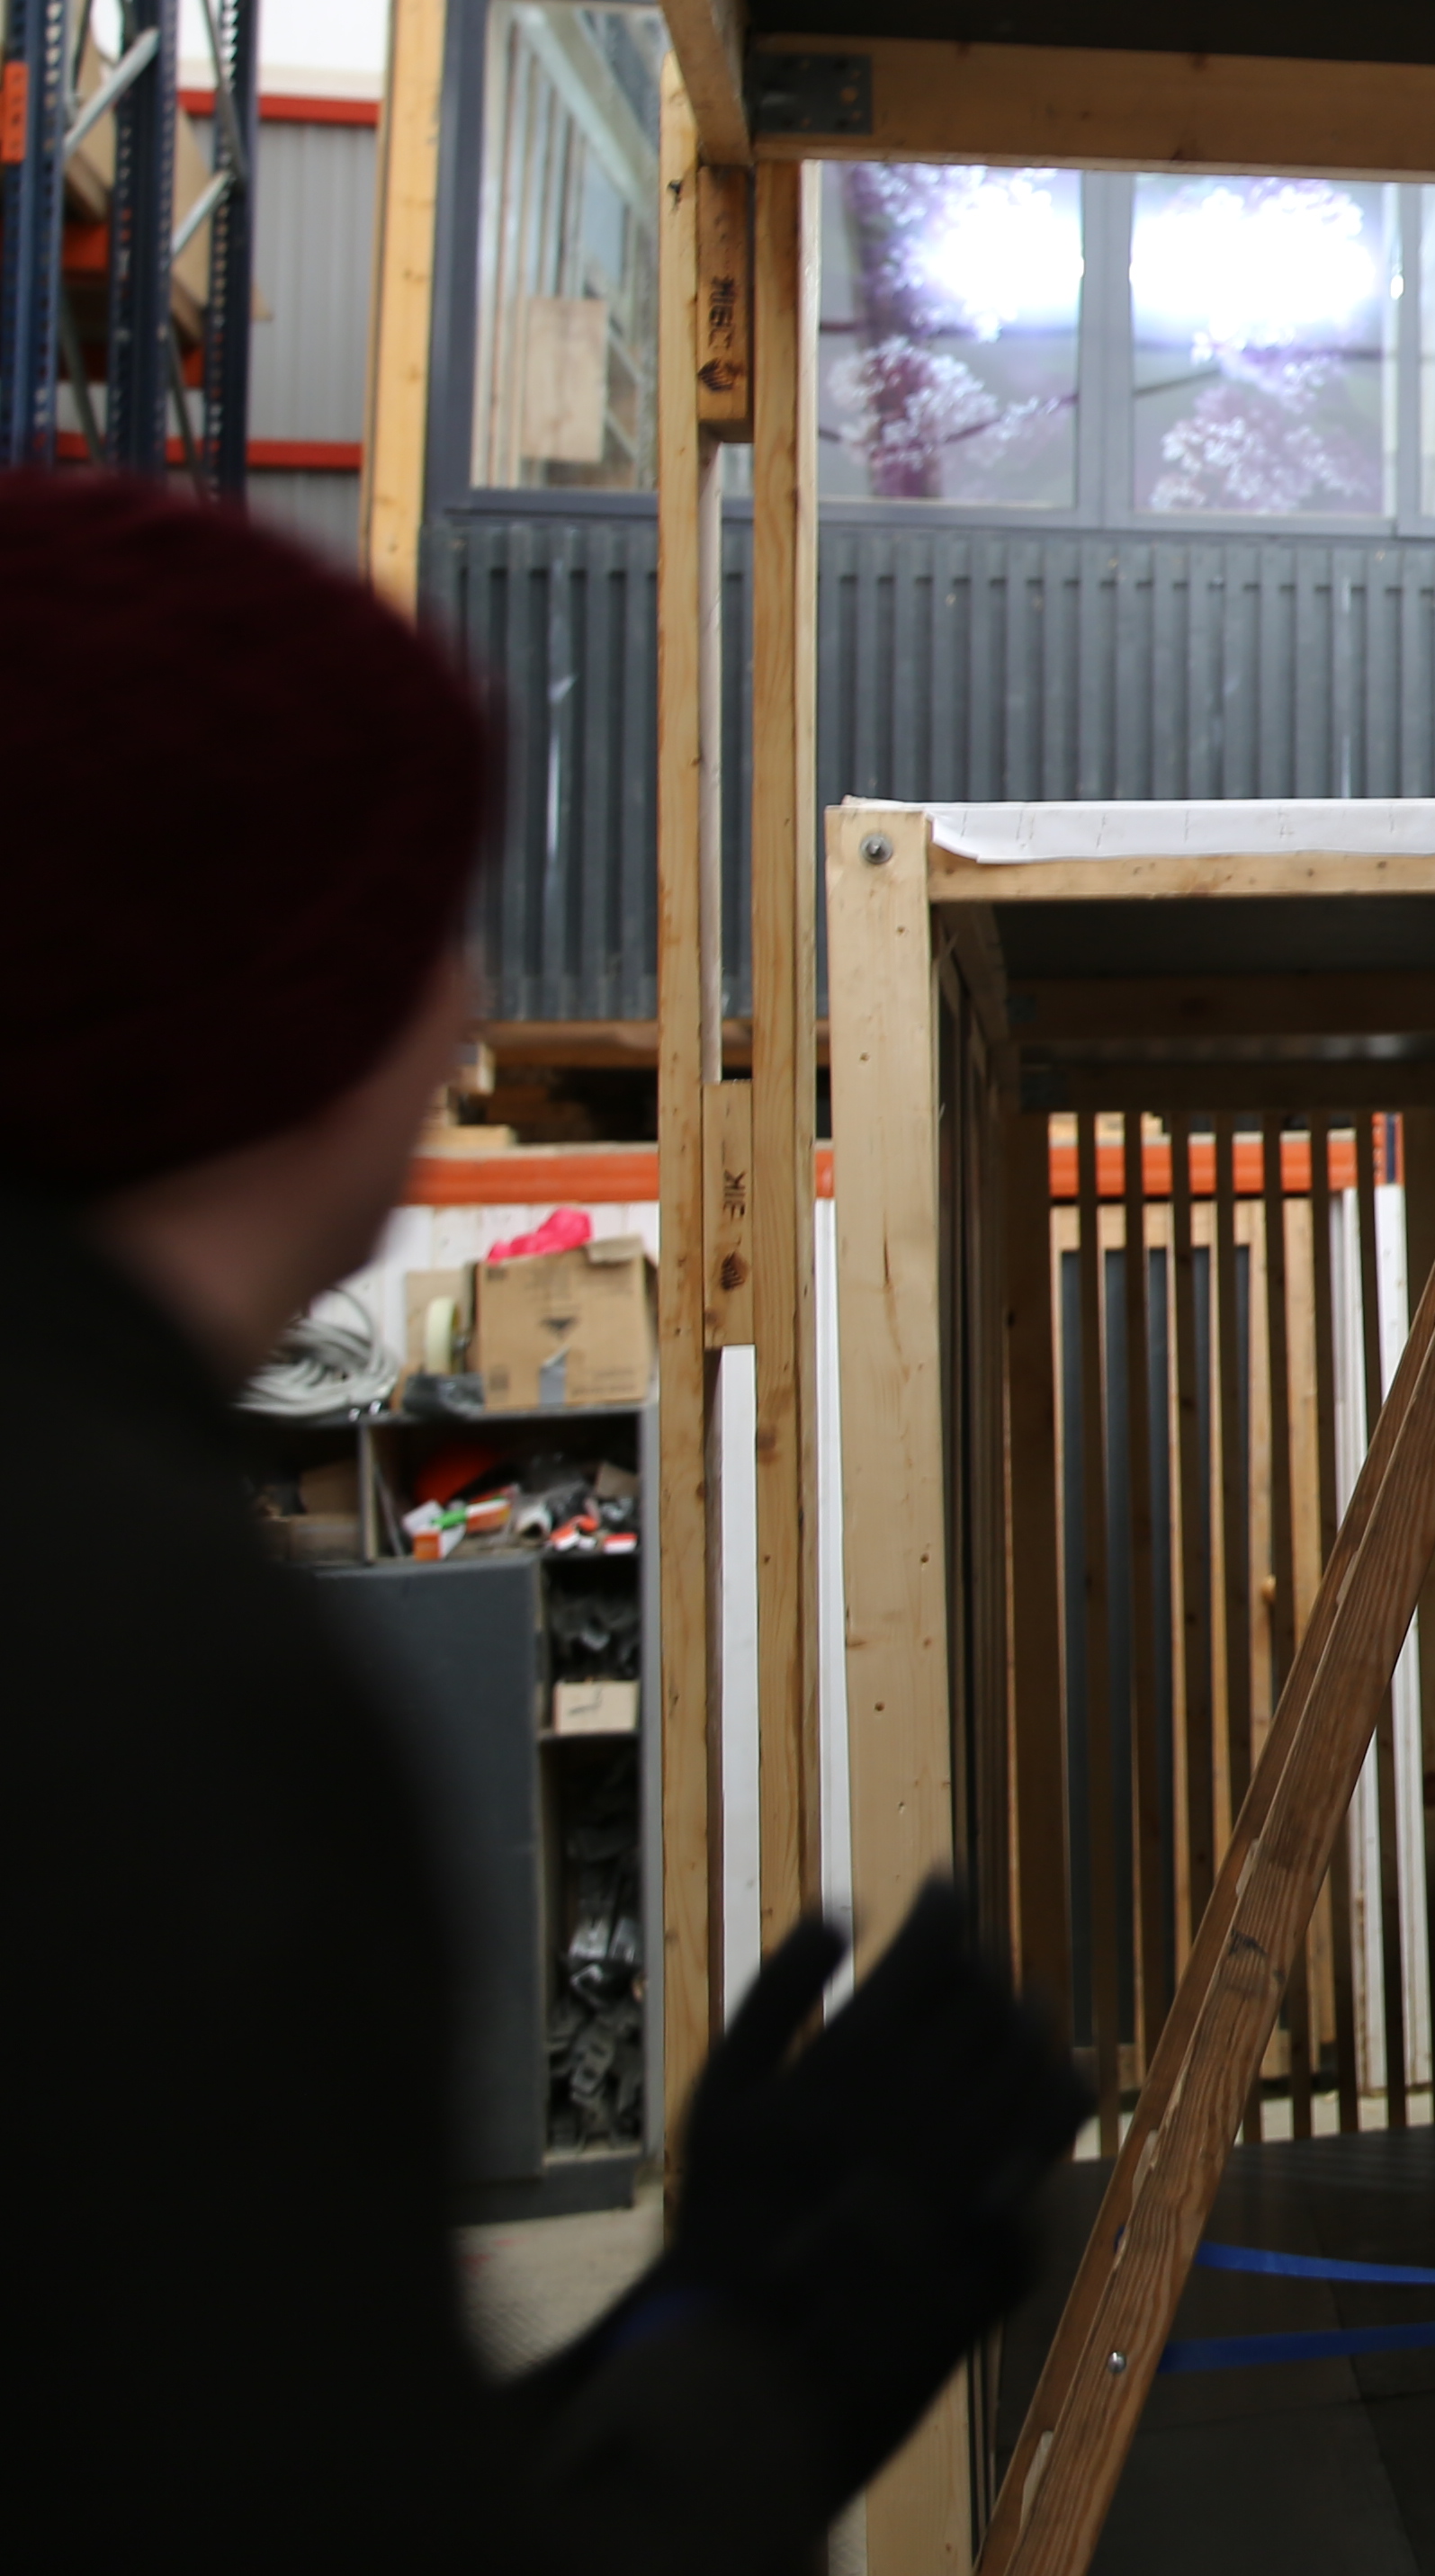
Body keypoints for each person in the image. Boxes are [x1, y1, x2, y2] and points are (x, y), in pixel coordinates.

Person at [20, 474, 1082, 2572]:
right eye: (421, 918)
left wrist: (661, 2344)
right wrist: (756, 2372)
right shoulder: (136, 1676)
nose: (467, 997)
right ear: (274, 997)